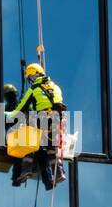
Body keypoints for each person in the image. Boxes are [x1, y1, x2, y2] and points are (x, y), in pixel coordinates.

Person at [6, 63, 67, 191]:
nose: (30, 81)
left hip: (42, 119)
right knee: (51, 149)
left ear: (33, 75)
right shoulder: (56, 87)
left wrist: (4, 115)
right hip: (57, 119)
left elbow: (19, 110)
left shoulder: (34, 89)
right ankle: (59, 173)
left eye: (30, 78)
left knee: (29, 143)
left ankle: (26, 170)